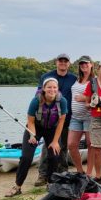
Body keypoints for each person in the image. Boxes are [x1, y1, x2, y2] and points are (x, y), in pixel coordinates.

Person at [5, 78, 67, 197]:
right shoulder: (36, 101)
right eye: (49, 87)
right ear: (43, 88)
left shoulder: (62, 101)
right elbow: (30, 121)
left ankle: (50, 182)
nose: (52, 90)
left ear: (58, 89)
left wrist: (55, 141)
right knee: (26, 158)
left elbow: (61, 122)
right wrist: (33, 135)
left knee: (54, 155)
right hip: (35, 128)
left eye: (55, 87)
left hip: (52, 129)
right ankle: (17, 186)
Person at [35, 53, 77, 186]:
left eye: (66, 61)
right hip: (49, 119)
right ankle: (43, 175)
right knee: (48, 147)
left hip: (66, 118)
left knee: (63, 146)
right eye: (60, 61)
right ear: (56, 62)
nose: (63, 63)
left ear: (69, 63)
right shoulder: (46, 76)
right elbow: (38, 95)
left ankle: (63, 172)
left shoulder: (73, 78)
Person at [67, 55, 94, 175]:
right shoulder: (76, 79)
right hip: (75, 118)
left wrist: (84, 98)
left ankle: (89, 172)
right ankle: (80, 170)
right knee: (71, 145)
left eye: (86, 63)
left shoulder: (95, 80)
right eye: (82, 63)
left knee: (90, 145)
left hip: (90, 117)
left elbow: (99, 97)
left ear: (91, 65)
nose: (84, 65)